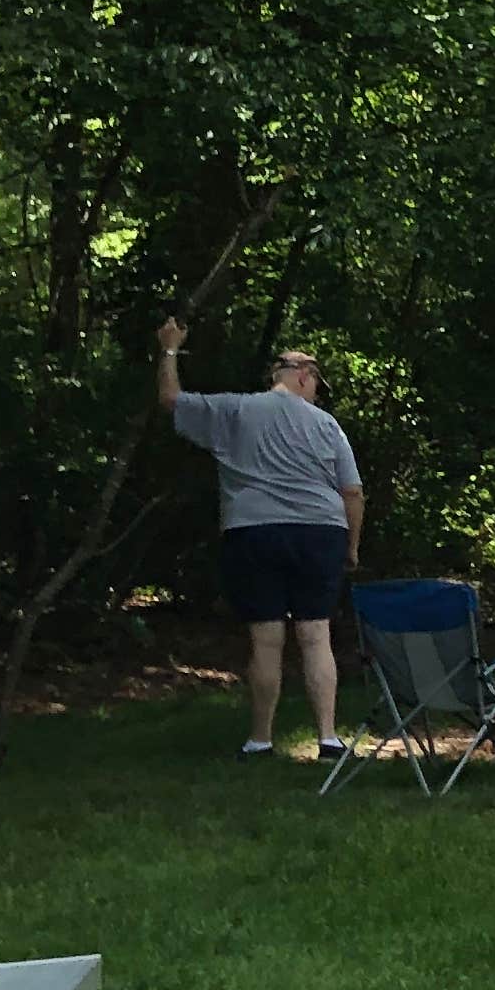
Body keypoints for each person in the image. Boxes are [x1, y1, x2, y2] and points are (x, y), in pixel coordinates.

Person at [154, 319, 365, 759]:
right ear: (304, 375)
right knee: (315, 634)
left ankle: (260, 739)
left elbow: (170, 399)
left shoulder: (235, 410)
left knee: (266, 638)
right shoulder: (327, 426)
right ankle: (327, 736)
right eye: (316, 384)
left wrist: (170, 349)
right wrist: (352, 547)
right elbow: (353, 492)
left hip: (253, 531)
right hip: (319, 532)